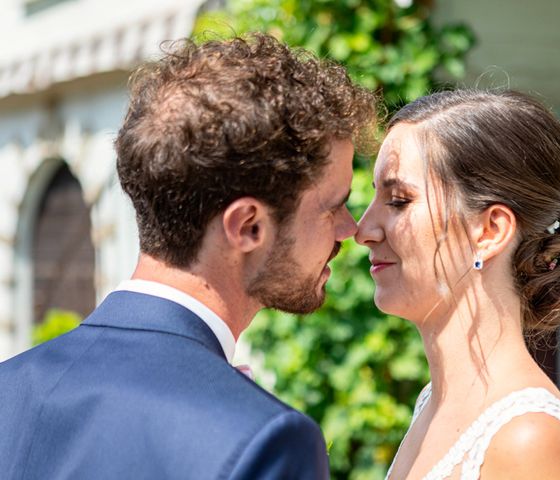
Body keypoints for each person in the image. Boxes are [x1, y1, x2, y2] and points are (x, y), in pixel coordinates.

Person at [0, 33, 376, 479]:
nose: (350, 229)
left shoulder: (9, 387)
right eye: (334, 205)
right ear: (247, 226)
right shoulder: (265, 439)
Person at [356, 89, 560, 479]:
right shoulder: (432, 403)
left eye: (399, 200)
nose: (364, 230)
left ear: (490, 231)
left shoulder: (528, 437)